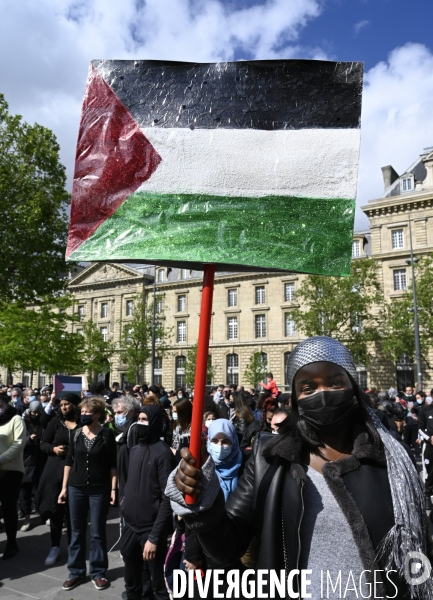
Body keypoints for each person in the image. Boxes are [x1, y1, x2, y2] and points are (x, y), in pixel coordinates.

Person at [168, 336, 431, 599]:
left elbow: (419, 556)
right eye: (308, 388)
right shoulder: (269, 460)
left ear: (353, 388)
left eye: (336, 382)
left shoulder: (390, 461)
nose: (323, 394)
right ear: (295, 399)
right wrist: (204, 500)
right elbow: (227, 546)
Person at [58, 396, 117, 592]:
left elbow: (112, 465)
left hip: (99, 488)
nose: (83, 415)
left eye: (87, 412)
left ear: (98, 414)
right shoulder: (76, 433)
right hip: (76, 487)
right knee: (76, 530)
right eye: (82, 412)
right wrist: (64, 488)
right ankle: (75, 572)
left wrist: (113, 489)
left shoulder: (107, 435)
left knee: (98, 531)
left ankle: (98, 571)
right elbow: (69, 461)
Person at [119, 405, 175, 600]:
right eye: (139, 418)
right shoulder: (135, 450)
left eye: (145, 420)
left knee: (158, 584)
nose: (140, 423)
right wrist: (124, 502)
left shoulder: (163, 454)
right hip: (130, 528)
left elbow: (168, 498)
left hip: (150, 530)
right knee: (132, 582)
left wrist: (153, 537)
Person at [36, 392, 80, 566]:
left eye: (67, 404)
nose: (63, 407)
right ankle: (54, 545)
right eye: (61, 404)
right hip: (54, 470)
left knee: (73, 512)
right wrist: (53, 450)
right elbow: (43, 443)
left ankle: (73, 546)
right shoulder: (55, 422)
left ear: (75, 405)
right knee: (55, 510)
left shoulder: (82, 424)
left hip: (75, 472)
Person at [0, 393, 25, 559]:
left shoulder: (16, 419)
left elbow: (19, 443)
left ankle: (11, 543)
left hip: (10, 470)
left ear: (6, 404)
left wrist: (1, 459)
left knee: (8, 507)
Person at [19, 400, 46, 532]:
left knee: (41, 490)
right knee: (25, 490)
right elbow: (17, 441)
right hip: (27, 461)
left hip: (41, 460)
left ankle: (44, 514)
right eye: (33, 412)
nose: (35, 414)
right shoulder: (23, 423)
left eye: (37, 412)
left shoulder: (43, 422)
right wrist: (29, 439)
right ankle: (27, 517)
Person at [112, 395, 140, 496]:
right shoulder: (124, 429)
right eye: (115, 413)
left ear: (131, 411)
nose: (116, 416)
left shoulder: (134, 429)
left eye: (119, 412)